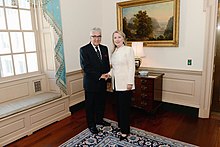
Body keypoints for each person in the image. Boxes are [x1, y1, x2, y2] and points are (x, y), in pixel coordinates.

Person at [80, 27, 111, 134]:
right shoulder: (84, 50)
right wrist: (100, 75)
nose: (97, 39)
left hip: (102, 83)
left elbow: (106, 64)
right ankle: (91, 125)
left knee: (101, 103)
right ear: (90, 37)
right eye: (94, 36)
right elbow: (86, 68)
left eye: (99, 36)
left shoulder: (104, 48)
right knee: (90, 106)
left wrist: (107, 74)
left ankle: (99, 120)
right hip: (91, 83)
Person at [110, 30, 135, 140]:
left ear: (123, 38)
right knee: (119, 108)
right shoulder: (114, 52)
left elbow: (131, 67)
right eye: (115, 37)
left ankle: (125, 131)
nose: (117, 39)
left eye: (119, 37)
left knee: (124, 109)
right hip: (116, 85)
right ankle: (121, 126)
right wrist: (108, 74)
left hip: (125, 85)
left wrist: (130, 82)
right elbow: (114, 68)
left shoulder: (128, 50)